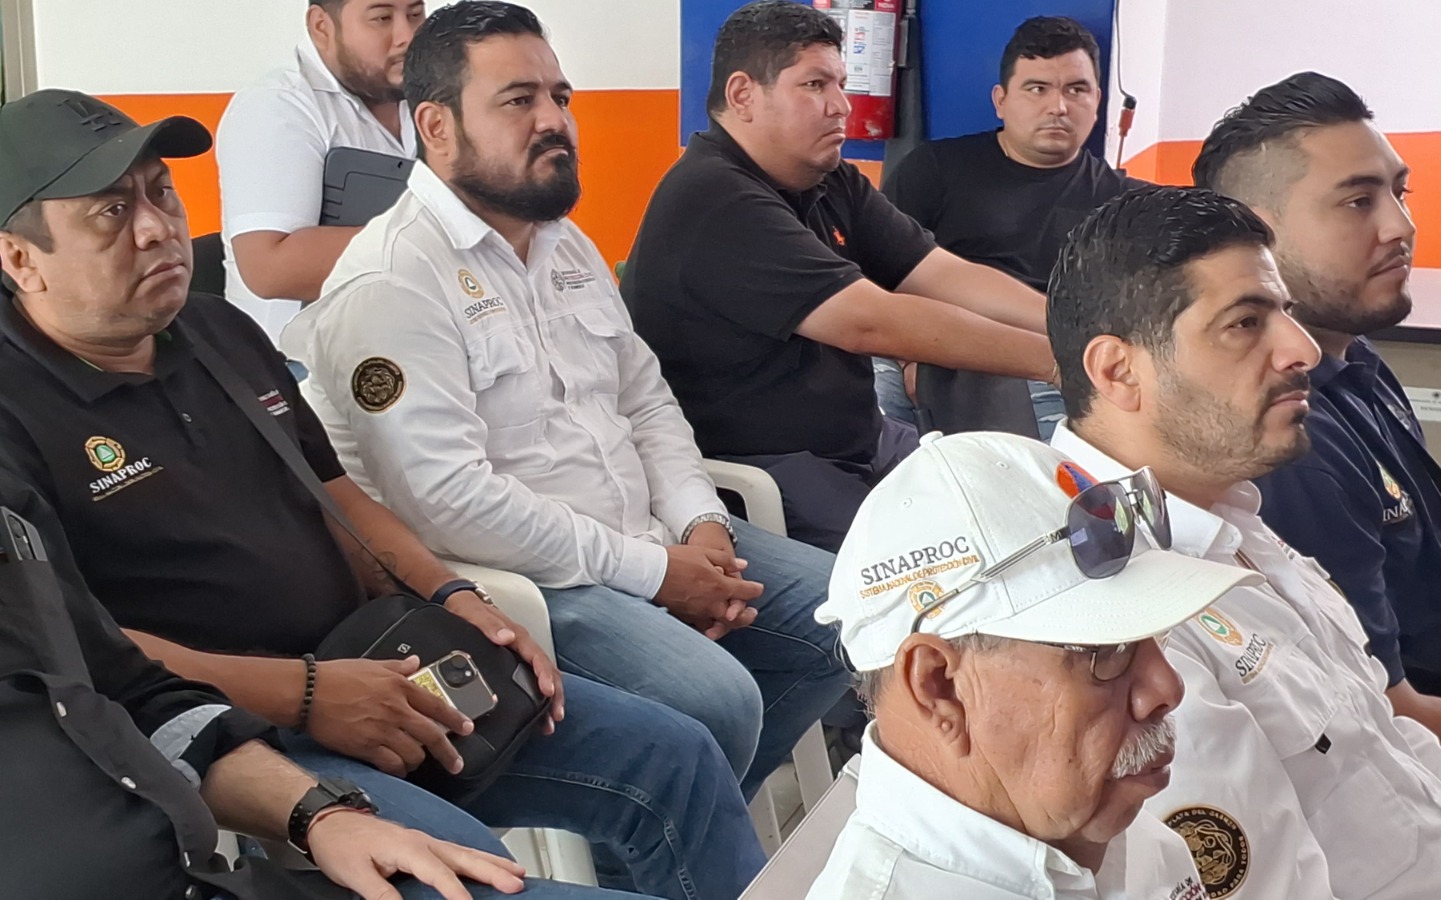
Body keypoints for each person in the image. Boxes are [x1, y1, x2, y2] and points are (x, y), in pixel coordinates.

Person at [0, 88, 764, 900]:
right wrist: (308, 695)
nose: (156, 226)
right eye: (111, 212)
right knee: (465, 867)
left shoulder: (220, 333)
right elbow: (83, 654)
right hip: (236, 732)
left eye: (162, 192)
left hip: (380, 660)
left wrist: (457, 597)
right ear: (20, 259)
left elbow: (339, 501)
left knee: (677, 754)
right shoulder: (16, 408)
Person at [283, 0, 850, 800]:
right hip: (525, 578)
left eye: (560, 97)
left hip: (646, 537)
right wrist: (654, 573)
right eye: (519, 101)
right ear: (437, 127)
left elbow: (646, 401)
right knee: (717, 700)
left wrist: (703, 525)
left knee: (846, 614)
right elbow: (448, 501)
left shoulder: (563, 243)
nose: (554, 120)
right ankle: (672, 831)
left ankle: (695, 817)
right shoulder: (393, 280)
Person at [1046, 184, 1441, 899]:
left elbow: (1397, 751)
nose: (1302, 349)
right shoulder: (1118, 621)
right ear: (1119, 371)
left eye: (1286, 313)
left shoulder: (1235, 517)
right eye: (1246, 323)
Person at [1191, 72, 1441, 812]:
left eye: (1398, 193)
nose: (1401, 226)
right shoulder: (1291, 448)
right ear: (1256, 232)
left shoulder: (1355, 362)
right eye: (1358, 201)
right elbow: (1388, 718)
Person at [0, 471, 592, 900]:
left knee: (475, 874)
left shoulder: (13, 518)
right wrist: (307, 694)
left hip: (209, 871)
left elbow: (141, 697)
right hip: (282, 718)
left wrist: (321, 816)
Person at [621, 0, 1058, 553]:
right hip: (770, 468)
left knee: (1019, 520)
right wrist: (1056, 362)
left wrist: (1071, 329)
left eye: (841, 84)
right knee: (963, 564)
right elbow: (869, 323)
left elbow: (941, 273)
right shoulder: (714, 195)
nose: (841, 105)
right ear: (742, 95)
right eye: (814, 85)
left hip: (864, 442)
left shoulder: (827, 178)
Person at [808, 430, 1249, 899]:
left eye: (1158, 635)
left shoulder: (1086, 814)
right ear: (940, 687)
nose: (1167, 687)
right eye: (1106, 651)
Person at [880, 16, 1143, 441]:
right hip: (926, 349)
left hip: (1051, 366)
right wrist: (909, 356)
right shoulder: (933, 170)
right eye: (1037, 89)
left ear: (1097, 101)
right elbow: (879, 278)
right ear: (1000, 100)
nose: (1058, 107)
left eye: (1076, 90)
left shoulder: (1127, 206)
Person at [216, 0, 424, 343]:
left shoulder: (426, 95)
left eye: (415, 14)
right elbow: (269, 268)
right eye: (382, 18)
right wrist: (446, 237)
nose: (408, 36)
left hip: (405, 338)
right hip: (297, 359)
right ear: (321, 26)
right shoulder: (276, 106)